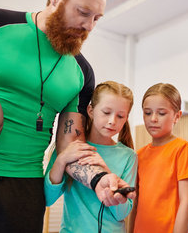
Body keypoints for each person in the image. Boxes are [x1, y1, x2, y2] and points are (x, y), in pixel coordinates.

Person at [0, 0, 133, 233]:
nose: (89, 26)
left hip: (25, 187)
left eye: (96, 18)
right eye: (83, 12)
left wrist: (99, 178)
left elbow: (70, 146)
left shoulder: (81, 72)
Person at [45, 81, 137, 233]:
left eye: (120, 116)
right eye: (106, 112)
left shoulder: (129, 156)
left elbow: (121, 213)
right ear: (90, 110)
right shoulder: (69, 147)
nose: (112, 121)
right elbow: (48, 199)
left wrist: (106, 174)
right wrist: (62, 159)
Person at [128, 83, 188, 233]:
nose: (153, 119)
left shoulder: (182, 149)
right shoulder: (138, 155)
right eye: (147, 113)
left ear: (177, 116)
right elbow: (135, 203)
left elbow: (187, 201)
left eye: (161, 113)